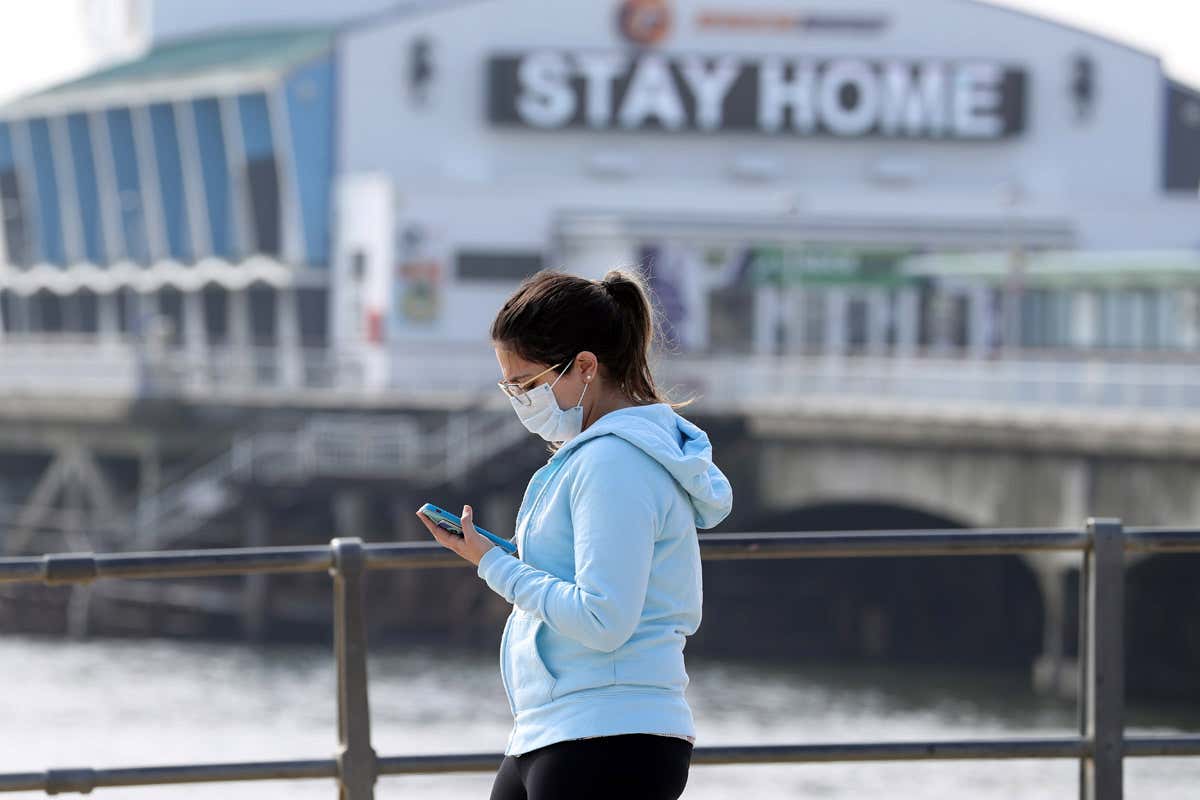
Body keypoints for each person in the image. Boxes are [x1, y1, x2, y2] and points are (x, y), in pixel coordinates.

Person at [416, 267, 733, 800]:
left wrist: (494, 565)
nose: (519, 400)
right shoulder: (597, 456)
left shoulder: (614, 463)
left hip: (608, 735)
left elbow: (603, 618)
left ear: (585, 366)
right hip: (562, 729)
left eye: (527, 384)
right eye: (510, 386)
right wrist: (505, 556)